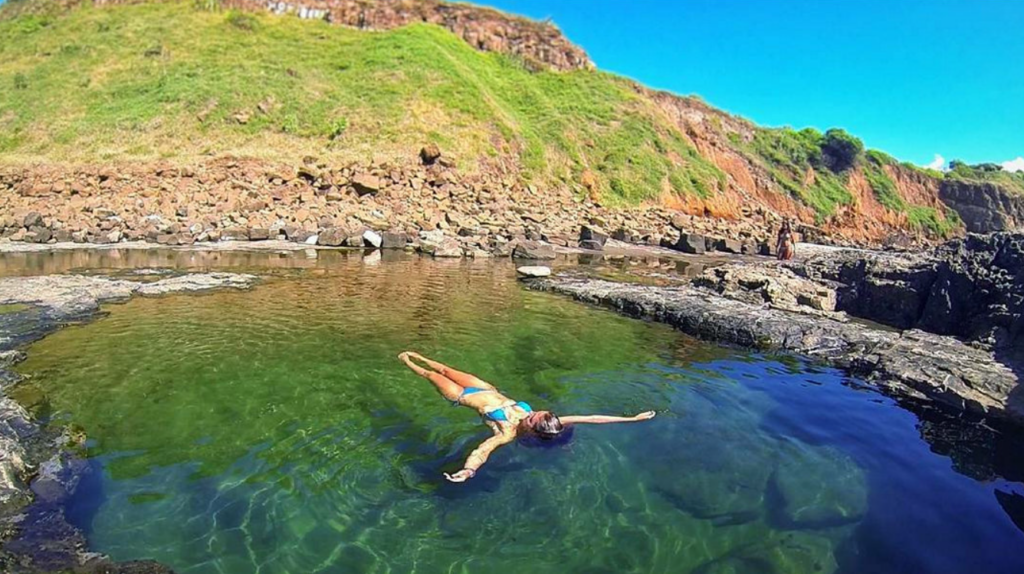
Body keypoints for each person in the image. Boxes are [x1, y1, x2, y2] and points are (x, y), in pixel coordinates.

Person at [398, 351, 656, 482]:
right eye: (541, 412)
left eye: (535, 416)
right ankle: (416, 354)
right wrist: (632, 419)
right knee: (445, 367)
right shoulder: (550, 421)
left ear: (533, 427)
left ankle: (405, 361)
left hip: (461, 397)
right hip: (486, 388)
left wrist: (468, 471)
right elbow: (592, 418)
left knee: (431, 375)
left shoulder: (507, 432)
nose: (535, 411)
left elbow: (483, 450)